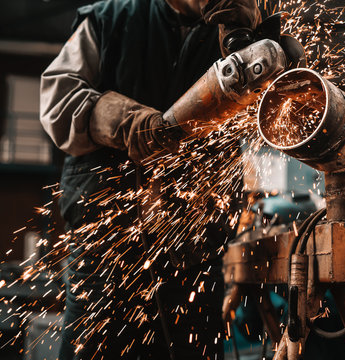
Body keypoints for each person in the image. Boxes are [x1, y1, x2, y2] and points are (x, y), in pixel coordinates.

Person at [40, 0, 261, 359]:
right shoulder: (110, 18)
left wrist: (264, 45)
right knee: (94, 344)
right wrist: (128, 124)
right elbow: (58, 100)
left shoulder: (239, 29)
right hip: (109, 240)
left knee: (193, 346)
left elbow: (281, 105)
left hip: (195, 243)